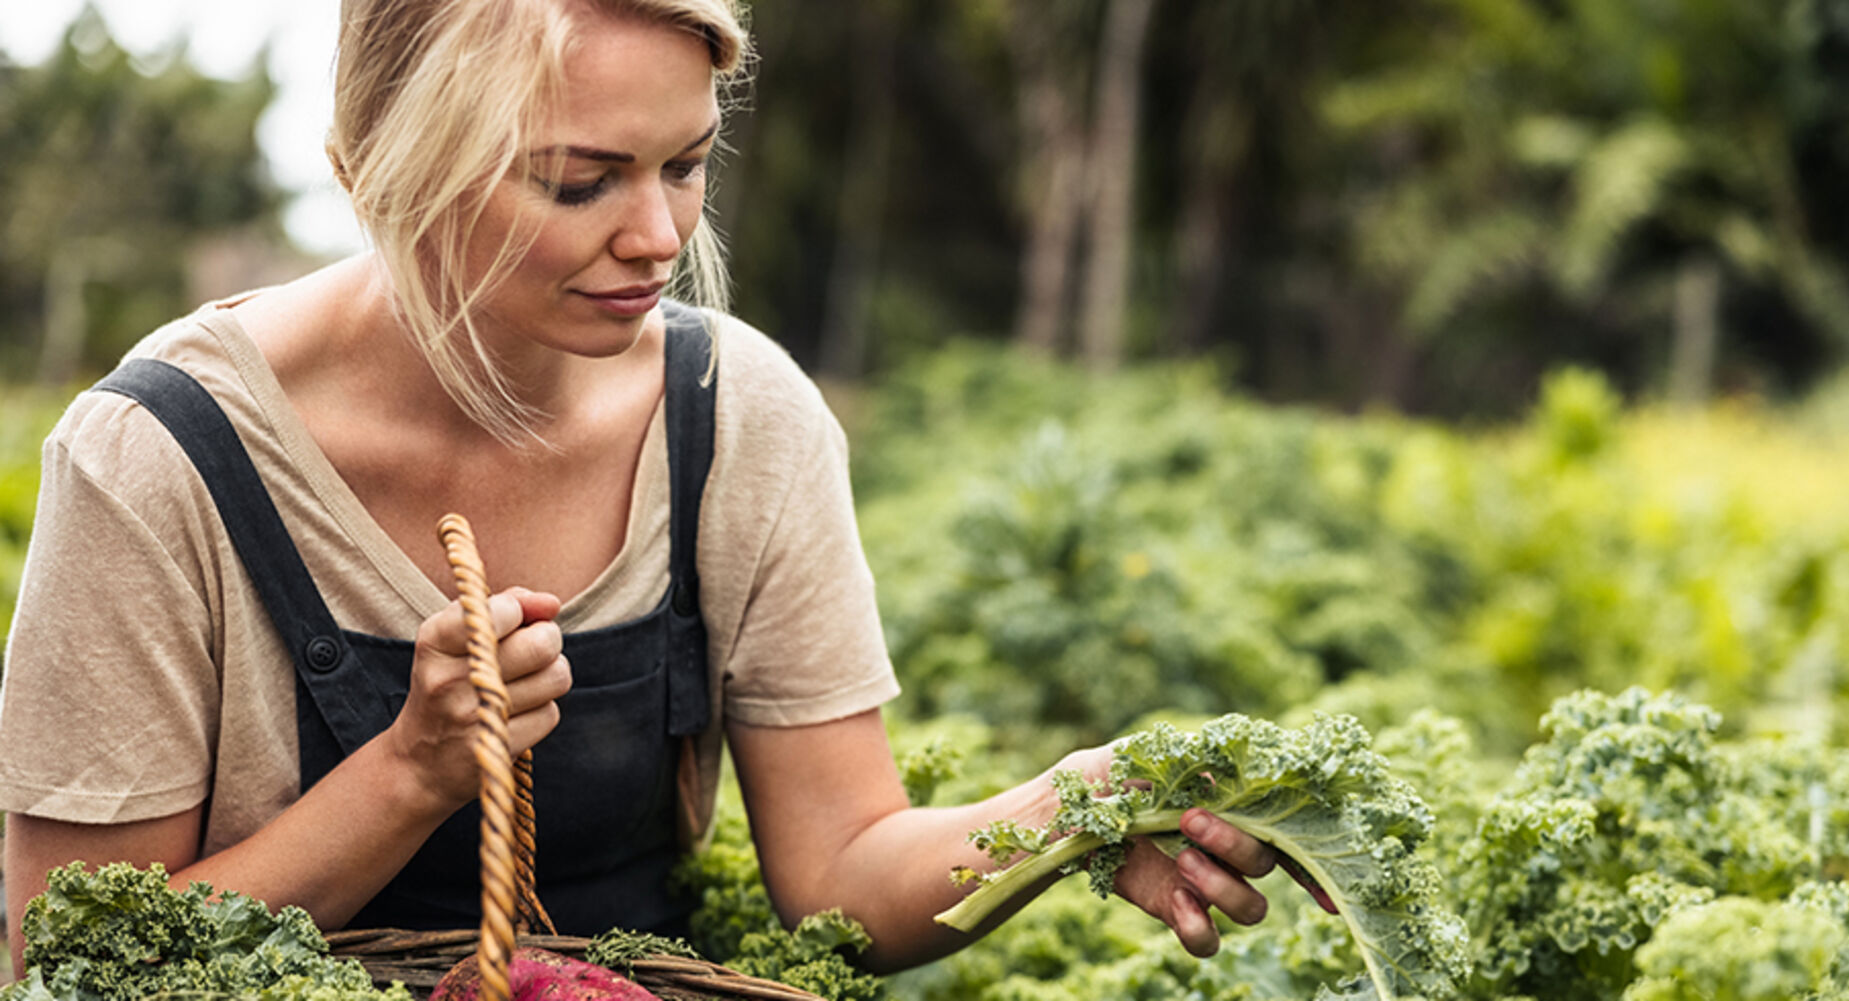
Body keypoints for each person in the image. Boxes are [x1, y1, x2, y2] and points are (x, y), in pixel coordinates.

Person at [0, 0, 1314, 979]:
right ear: (381, 171)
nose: (659, 237)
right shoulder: (159, 458)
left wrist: (1071, 809)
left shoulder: (737, 418)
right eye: (581, 182)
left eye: (684, 166)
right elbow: (77, 956)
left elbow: (841, 877)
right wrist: (407, 771)